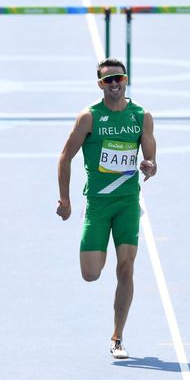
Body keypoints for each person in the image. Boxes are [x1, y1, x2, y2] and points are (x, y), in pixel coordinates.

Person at [56, 58, 157, 359]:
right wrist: (65, 199)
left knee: (126, 268)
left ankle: (117, 337)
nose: (114, 84)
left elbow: (151, 158)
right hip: (98, 203)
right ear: (100, 85)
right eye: (108, 80)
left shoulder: (141, 116)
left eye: (119, 78)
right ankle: (97, 246)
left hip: (127, 202)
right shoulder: (89, 118)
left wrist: (150, 166)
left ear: (126, 80)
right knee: (90, 273)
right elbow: (65, 157)